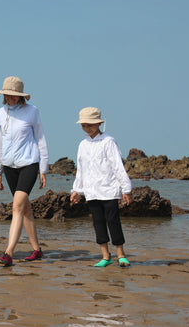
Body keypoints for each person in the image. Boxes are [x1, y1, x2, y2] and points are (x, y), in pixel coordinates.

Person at [0, 76, 49, 267]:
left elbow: (40, 139)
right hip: (8, 166)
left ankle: (8, 253)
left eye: (14, 95)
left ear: (21, 96)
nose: (11, 97)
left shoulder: (32, 111)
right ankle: (37, 250)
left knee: (16, 206)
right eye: (7, 94)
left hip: (29, 163)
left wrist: (43, 168)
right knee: (25, 209)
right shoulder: (0, 113)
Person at [70, 107, 132, 268]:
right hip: (92, 192)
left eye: (90, 124)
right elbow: (81, 170)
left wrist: (126, 189)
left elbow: (118, 166)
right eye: (84, 125)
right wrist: (77, 190)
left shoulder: (108, 141)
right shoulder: (83, 145)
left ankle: (121, 254)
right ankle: (105, 255)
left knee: (113, 221)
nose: (87, 128)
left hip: (109, 190)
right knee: (98, 222)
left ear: (98, 123)